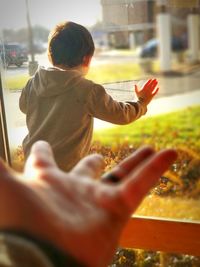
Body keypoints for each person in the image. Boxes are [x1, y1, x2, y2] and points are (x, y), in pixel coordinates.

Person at [0, 141, 177, 267]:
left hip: (54, 176)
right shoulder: (87, 90)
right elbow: (117, 112)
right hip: (68, 169)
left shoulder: (33, 86)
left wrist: (29, 248)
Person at [19, 21, 159, 171]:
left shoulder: (32, 83)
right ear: (87, 59)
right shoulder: (87, 90)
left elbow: (23, 107)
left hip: (34, 164)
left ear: (50, 55)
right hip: (66, 171)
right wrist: (142, 102)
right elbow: (120, 115)